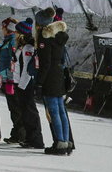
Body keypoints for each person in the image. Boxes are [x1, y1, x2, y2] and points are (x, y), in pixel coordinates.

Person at [35, 9, 72, 155]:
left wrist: (39, 82)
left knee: (54, 111)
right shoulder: (59, 38)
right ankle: (66, 141)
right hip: (59, 76)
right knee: (61, 110)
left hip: (50, 77)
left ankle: (60, 143)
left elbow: (45, 63)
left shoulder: (45, 39)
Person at [12, 20, 44, 149]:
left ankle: (36, 139)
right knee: (25, 112)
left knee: (30, 111)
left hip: (26, 84)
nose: (15, 34)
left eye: (17, 32)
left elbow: (27, 69)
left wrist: (21, 85)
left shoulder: (28, 47)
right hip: (21, 83)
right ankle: (29, 137)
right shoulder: (23, 46)